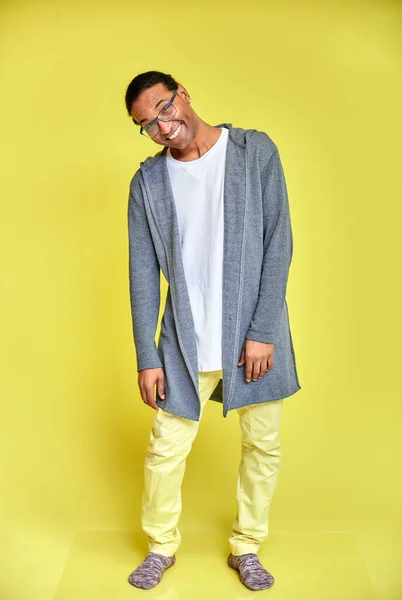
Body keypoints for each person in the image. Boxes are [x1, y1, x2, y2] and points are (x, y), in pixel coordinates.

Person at [124, 70, 301, 591]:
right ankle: (160, 547)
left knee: (262, 445)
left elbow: (279, 241)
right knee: (165, 447)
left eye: (162, 108)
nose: (160, 126)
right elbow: (140, 274)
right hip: (184, 338)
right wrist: (146, 355)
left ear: (183, 93)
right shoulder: (148, 182)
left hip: (252, 334)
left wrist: (263, 328)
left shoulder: (253, 152)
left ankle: (246, 546)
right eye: (145, 124)